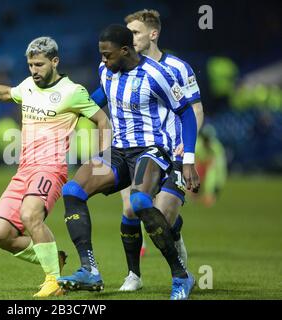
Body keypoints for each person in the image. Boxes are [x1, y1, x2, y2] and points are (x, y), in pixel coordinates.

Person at [0, 36, 111, 297]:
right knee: (0, 234)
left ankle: (54, 280)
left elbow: (103, 120)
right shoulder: (27, 86)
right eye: (30, 65)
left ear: (55, 61)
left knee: (30, 214)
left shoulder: (73, 91)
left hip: (50, 169)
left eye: (39, 64)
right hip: (24, 170)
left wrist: (104, 158)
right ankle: (54, 258)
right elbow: (4, 93)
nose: (34, 70)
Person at [57, 24, 200, 300]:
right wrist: (68, 110)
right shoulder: (106, 71)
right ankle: (89, 269)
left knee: (139, 202)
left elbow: (186, 114)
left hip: (152, 151)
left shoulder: (157, 75)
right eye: (101, 55)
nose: (103, 61)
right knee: (73, 191)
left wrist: (188, 158)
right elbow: (100, 98)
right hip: (118, 152)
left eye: (107, 55)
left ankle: (181, 276)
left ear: (125, 50)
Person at [115, 9, 205, 291]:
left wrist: (187, 146)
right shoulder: (123, 67)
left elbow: (196, 109)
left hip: (173, 153)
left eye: (135, 32)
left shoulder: (178, 68)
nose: (129, 38)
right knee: (131, 209)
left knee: (163, 216)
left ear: (153, 34)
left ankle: (174, 236)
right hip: (138, 151)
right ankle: (134, 276)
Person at [192, 124, 227, 207]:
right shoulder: (197, 144)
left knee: (212, 173)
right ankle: (196, 193)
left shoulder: (216, 147)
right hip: (200, 165)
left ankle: (210, 194)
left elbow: (219, 167)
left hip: (211, 167)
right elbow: (193, 160)